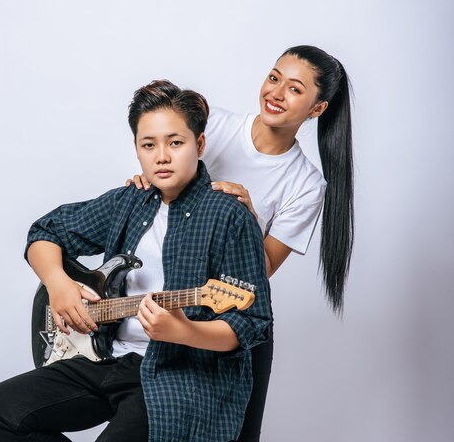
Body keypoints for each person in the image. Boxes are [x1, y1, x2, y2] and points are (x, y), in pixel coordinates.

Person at [0, 80, 272, 442]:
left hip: (181, 374)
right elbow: (45, 231)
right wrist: (59, 284)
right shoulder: (129, 201)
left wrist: (183, 332)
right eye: (149, 145)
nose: (161, 156)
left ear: (200, 144)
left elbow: (251, 323)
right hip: (107, 359)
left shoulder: (229, 215)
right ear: (137, 149)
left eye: (175, 142)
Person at [128, 45, 354, 442]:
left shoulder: (306, 184)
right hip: (178, 307)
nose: (277, 92)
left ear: (317, 109)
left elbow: (261, 270)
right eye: (273, 77)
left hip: (235, 318)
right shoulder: (213, 126)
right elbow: (160, 168)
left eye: (295, 89)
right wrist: (142, 184)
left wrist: (247, 218)